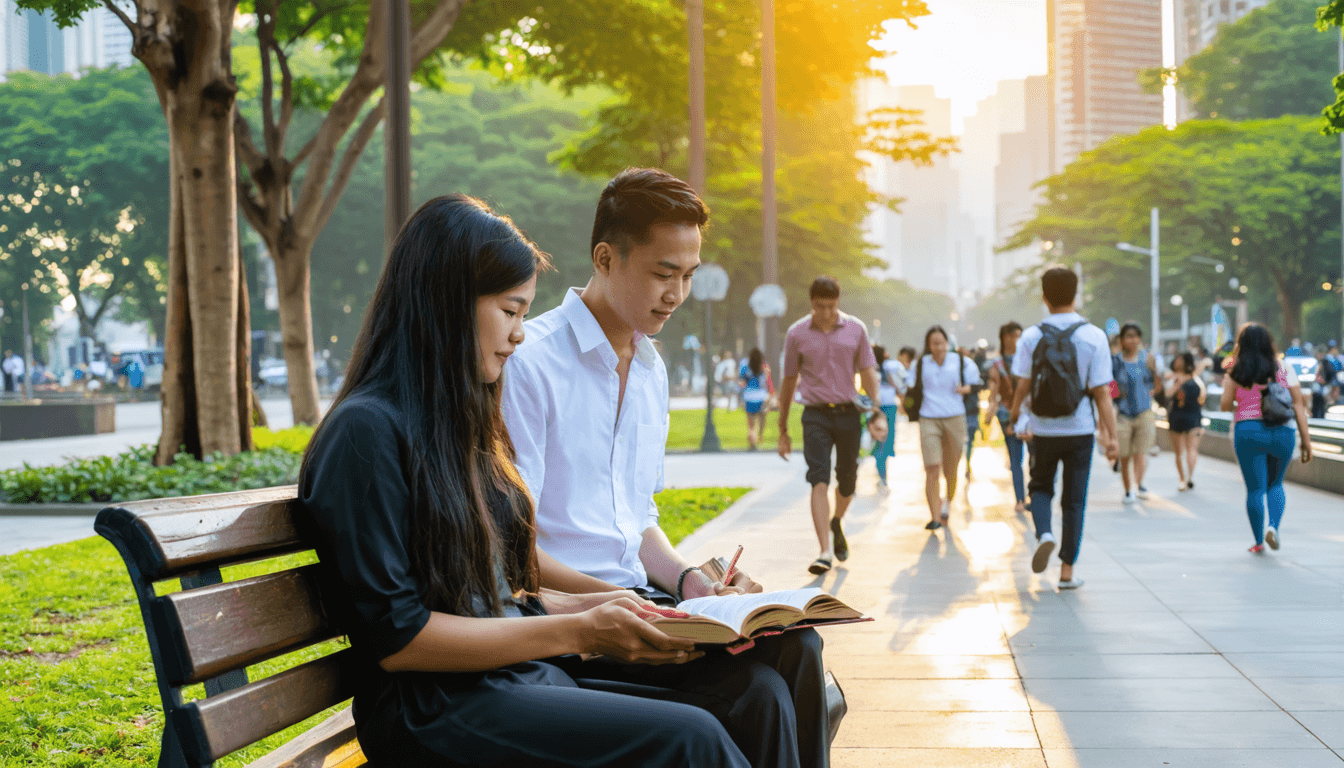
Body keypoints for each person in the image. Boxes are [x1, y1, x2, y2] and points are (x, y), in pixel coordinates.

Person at [298, 194, 759, 767]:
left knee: (748, 694)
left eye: (523, 315)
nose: (519, 335)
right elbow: (398, 639)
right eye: (510, 311)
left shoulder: (455, 427)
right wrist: (581, 630)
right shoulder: (365, 432)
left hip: (508, 677)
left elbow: (495, 596)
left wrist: (613, 605)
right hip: (433, 709)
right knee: (691, 738)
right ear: (446, 305)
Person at [502, 168, 829, 768]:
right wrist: (632, 603)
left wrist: (689, 583)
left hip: (642, 603)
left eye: (688, 275)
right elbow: (512, 543)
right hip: (574, 621)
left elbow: (637, 518)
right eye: (662, 273)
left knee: (799, 644)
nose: (677, 294)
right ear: (606, 258)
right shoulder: (531, 365)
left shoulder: (651, 370)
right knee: (757, 694)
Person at [1009, 266, 1118, 590]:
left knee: (1040, 486)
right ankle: (1067, 571)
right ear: (1076, 294)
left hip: (1043, 429)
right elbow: (1102, 393)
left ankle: (1044, 533)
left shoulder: (1031, 336)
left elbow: (1023, 385)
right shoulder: (1094, 336)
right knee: (1074, 500)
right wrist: (1111, 437)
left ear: (1044, 297)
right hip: (1080, 429)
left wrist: (1014, 415)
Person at [776, 275, 885, 575]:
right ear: (812, 302)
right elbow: (789, 381)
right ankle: (824, 551)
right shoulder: (797, 333)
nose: (826, 313)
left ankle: (836, 521)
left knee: (847, 481)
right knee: (818, 478)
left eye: (831, 306)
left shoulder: (855, 329)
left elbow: (867, 372)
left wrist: (876, 412)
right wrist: (782, 428)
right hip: (815, 415)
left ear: (839, 302)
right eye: (820, 306)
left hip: (849, 413)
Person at [1220, 323, 1313, 554]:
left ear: (1242, 344)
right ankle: (1273, 527)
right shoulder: (1284, 368)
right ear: (1269, 343)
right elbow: (1298, 405)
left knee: (1255, 490)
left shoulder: (1236, 370)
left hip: (1248, 430)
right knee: (1276, 484)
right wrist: (1306, 441)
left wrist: (1242, 400)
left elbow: (1224, 405)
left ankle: (1258, 542)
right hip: (1282, 431)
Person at [911, 326, 981, 530]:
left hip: (954, 417)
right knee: (932, 467)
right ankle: (934, 517)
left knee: (951, 468)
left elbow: (978, 384)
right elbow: (909, 386)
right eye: (934, 343)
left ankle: (947, 501)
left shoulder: (960, 361)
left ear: (947, 343)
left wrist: (966, 389)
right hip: (928, 418)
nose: (939, 347)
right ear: (928, 345)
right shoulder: (921, 363)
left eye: (942, 343)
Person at [1112, 323, 1160, 503]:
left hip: (1144, 412)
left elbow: (1157, 382)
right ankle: (1128, 490)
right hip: (1123, 414)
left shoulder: (1147, 359)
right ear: (1122, 339)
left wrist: (1149, 393)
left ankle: (1139, 484)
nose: (1132, 340)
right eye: (1128, 336)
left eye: (1135, 336)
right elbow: (1110, 386)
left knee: (1140, 453)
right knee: (1124, 455)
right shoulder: (1116, 361)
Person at [985, 322, 1027, 512]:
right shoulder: (998, 364)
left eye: (1019, 335)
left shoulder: (1027, 359)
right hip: (1008, 415)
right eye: (1013, 335)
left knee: (1032, 457)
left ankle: (1031, 496)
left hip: (1027, 414)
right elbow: (993, 390)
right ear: (1004, 338)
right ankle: (1020, 499)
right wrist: (991, 408)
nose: (1016, 339)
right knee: (1016, 459)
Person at [1165, 351, 1205, 491]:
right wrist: (1178, 383)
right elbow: (1167, 394)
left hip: (1193, 415)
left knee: (1191, 449)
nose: (1178, 362)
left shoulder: (1195, 378)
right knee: (1179, 452)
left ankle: (1188, 477)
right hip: (1177, 416)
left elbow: (1202, 397)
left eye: (1180, 360)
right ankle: (1183, 478)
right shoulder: (1172, 378)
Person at [871, 345, 909, 489]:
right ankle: (882, 475)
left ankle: (881, 473)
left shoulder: (872, 369)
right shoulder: (889, 367)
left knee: (878, 441)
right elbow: (899, 386)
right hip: (887, 407)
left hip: (875, 407)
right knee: (885, 442)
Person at [739, 348, 774, 450]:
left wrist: (741, 394)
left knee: (751, 424)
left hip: (749, 396)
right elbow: (768, 381)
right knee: (762, 417)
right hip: (761, 396)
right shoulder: (764, 366)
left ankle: (752, 442)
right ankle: (760, 435)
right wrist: (771, 394)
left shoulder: (745, 366)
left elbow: (742, 382)